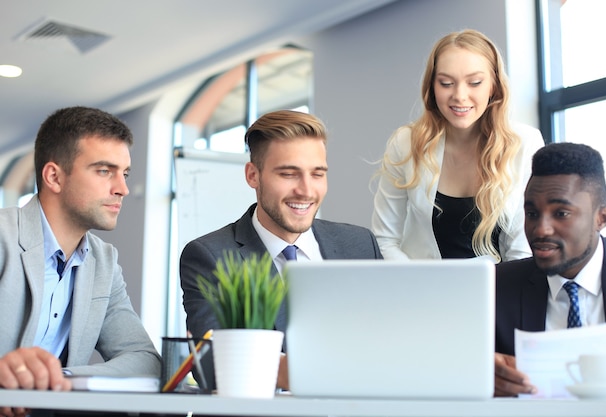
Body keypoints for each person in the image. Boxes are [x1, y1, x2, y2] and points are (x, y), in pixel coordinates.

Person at [180, 109, 383, 390]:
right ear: (253, 175)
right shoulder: (211, 255)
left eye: (317, 174)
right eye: (289, 174)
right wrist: (312, 371)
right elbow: (212, 365)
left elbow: (387, 341)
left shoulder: (360, 245)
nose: (306, 190)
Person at [0, 106, 160, 415]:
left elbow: (144, 360)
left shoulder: (104, 262)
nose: (123, 188)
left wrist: (59, 381)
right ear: (54, 177)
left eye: (124, 174)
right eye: (104, 171)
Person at [371, 29, 544, 263]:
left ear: (493, 85)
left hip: (499, 290)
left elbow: (522, 249)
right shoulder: (406, 143)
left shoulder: (525, 143)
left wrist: (504, 296)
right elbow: (384, 239)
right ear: (432, 87)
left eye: (475, 83)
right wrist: (419, 287)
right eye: (446, 83)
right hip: (423, 291)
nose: (460, 96)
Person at [493, 142, 606, 397]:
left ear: (602, 218)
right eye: (532, 213)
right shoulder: (497, 287)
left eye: (561, 213)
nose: (541, 229)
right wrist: (480, 374)